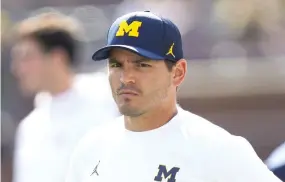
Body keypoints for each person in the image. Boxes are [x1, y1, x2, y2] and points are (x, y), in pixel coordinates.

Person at [65, 11, 281, 182]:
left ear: (178, 72)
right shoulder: (91, 147)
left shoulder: (218, 149)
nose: (126, 77)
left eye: (142, 65)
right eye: (116, 65)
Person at [11, 12, 119, 182]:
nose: (18, 69)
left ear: (57, 58)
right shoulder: (30, 128)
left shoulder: (111, 99)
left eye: (27, 57)